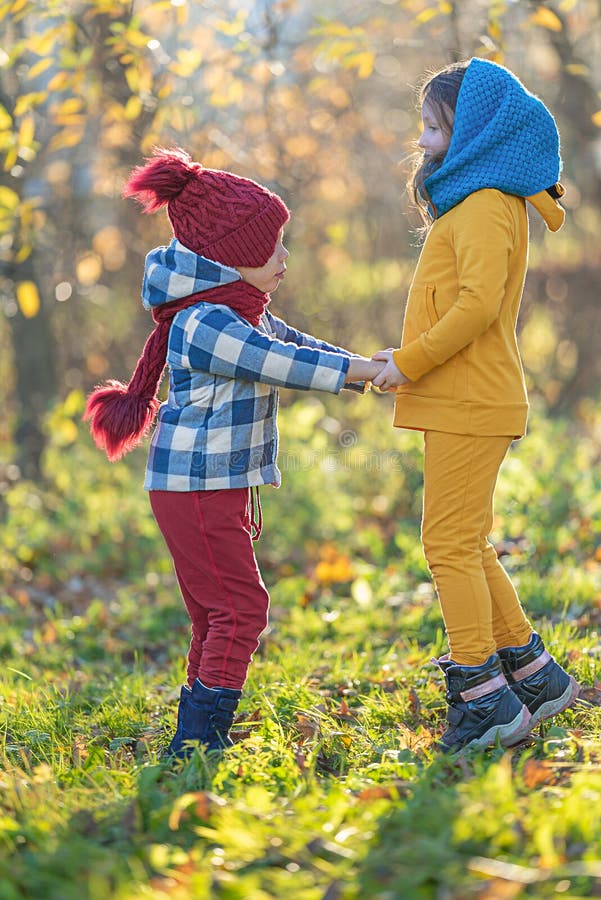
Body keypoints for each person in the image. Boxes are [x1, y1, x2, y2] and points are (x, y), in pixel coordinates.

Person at [84, 147, 383, 759]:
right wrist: (353, 373)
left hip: (206, 486)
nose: (284, 258)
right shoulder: (208, 323)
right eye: (271, 248)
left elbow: (294, 342)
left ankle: (195, 733)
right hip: (197, 487)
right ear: (231, 258)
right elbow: (281, 362)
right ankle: (200, 739)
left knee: (215, 613)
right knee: (241, 609)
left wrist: (366, 368)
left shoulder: (236, 309)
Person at [371, 59, 579, 752]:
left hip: (470, 395)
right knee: (464, 541)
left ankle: (483, 696)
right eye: (424, 128)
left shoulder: (488, 204)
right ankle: (533, 675)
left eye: (435, 128)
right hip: (457, 396)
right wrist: (401, 363)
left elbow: (476, 306)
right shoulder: (475, 202)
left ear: (477, 137)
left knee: (447, 545)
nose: (423, 142)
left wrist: (408, 362)